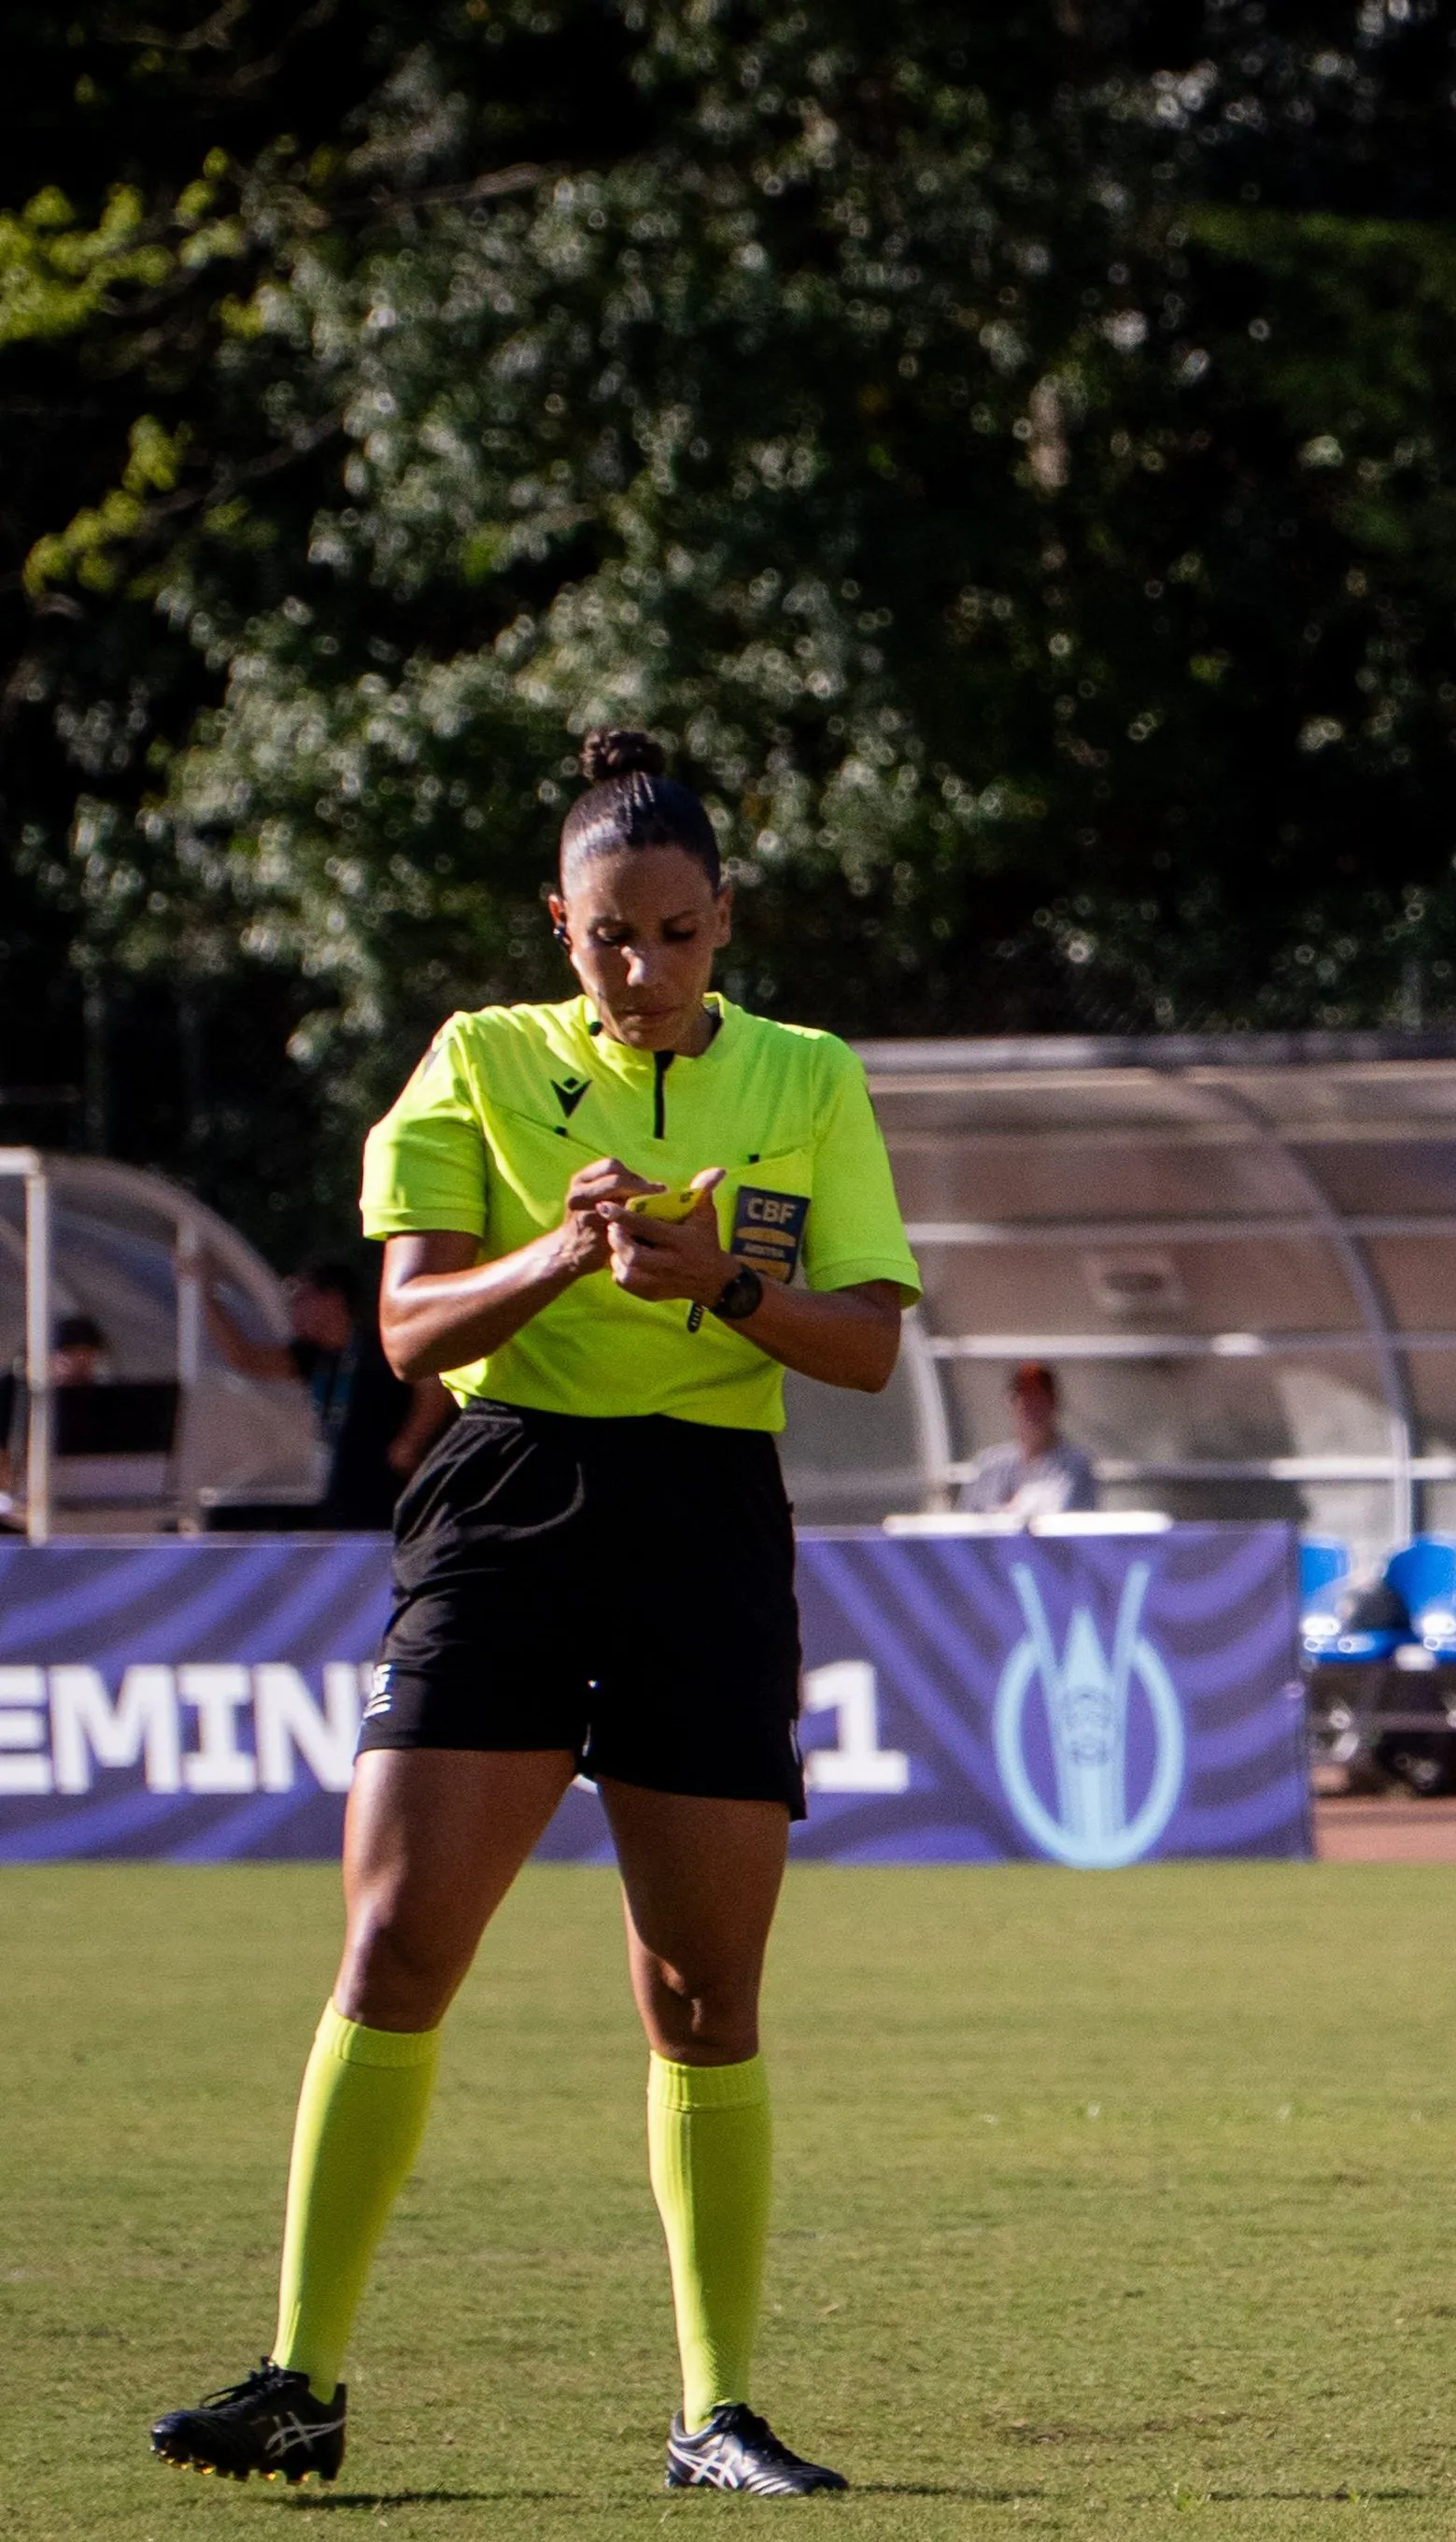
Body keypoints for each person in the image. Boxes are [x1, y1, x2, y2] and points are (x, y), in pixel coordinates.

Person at [144, 729, 918, 2498]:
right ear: (554, 929)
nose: (642, 970)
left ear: (727, 918)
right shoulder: (477, 1063)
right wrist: (560, 1256)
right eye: (606, 939)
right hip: (508, 1500)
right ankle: (301, 2379)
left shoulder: (807, 1075)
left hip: (708, 1518)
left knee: (701, 1987)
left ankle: (714, 2413)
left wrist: (717, 1280)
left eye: (675, 933)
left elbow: (866, 1342)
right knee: (399, 1942)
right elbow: (413, 1330)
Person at [216, 1257, 455, 1529]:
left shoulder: (379, 1345)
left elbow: (435, 1385)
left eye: (300, 1297)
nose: (293, 1308)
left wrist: (409, 1444)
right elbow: (245, 1359)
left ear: (332, 1299)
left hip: (390, 1496)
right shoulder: (315, 1356)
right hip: (342, 1497)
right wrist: (205, 1292)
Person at [961, 1362, 1100, 1516]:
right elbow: (965, 1528)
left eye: (1040, 1398)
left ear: (1054, 1404)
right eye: (1025, 1400)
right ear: (1010, 1404)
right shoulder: (989, 1464)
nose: (1032, 1409)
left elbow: (1075, 1524)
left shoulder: (1075, 1465)